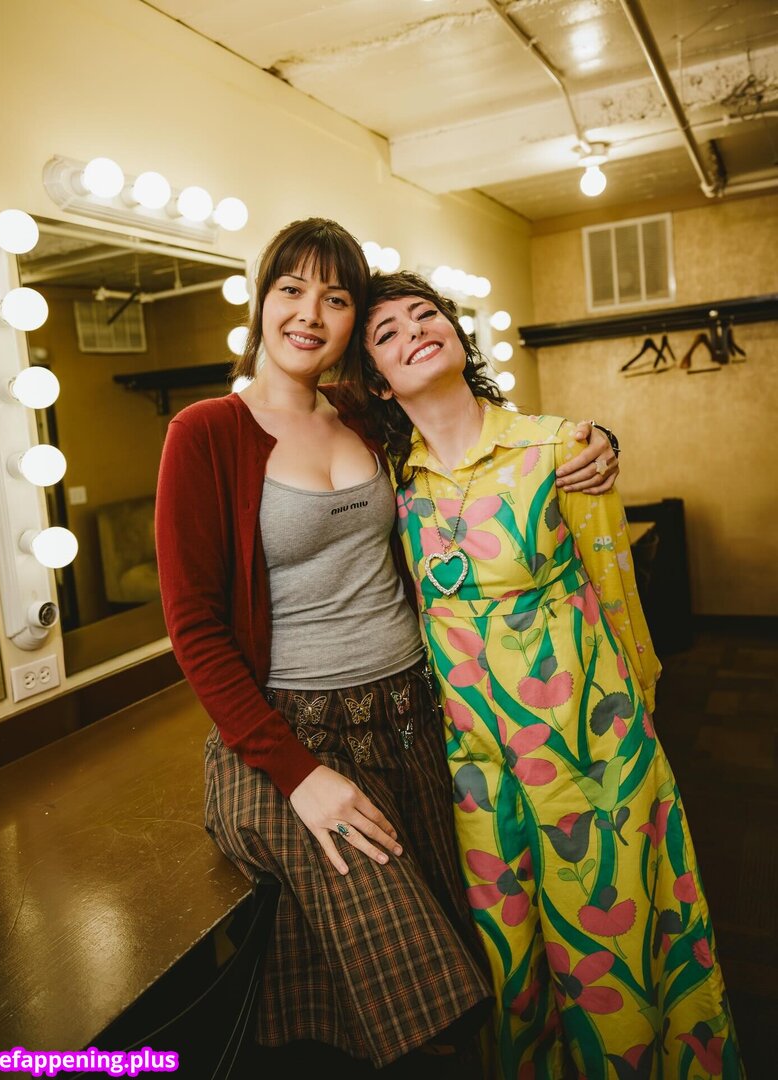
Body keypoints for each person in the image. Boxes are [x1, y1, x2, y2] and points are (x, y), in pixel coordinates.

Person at [154, 218, 616, 1077]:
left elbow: (476, 436)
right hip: (287, 735)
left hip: (414, 715)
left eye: (335, 298)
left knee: (483, 936)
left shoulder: (368, 414)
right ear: (261, 301)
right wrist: (300, 774)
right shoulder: (206, 432)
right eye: (291, 289)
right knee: (416, 965)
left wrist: (588, 440)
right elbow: (195, 626)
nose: (309, 313)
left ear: (352, 323)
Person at [358, 269, 745, 1080]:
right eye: (387, 332)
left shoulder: (560, 448)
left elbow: (618, 594)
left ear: (457, 334)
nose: (414, 331)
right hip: (475, 770)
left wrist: (638, 728)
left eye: (426, 315)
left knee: (612, 953)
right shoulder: (392, 482)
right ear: (379, 383)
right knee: (511, 963)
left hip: (590, 751)